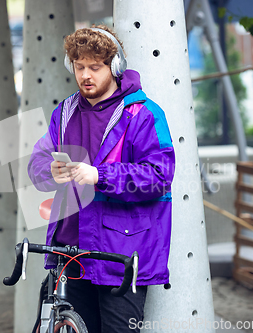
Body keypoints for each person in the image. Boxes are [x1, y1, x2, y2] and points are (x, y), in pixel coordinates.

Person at [27, 25, 175, 333]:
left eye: (95, 67)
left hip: (119, 256)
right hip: (70, 253)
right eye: (79, 67)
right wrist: (48, 170)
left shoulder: (144, 114)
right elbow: (36, 164)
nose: (85, 76)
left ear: (115, 67)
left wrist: (99, 175)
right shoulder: (65, 112)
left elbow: (160, 176)